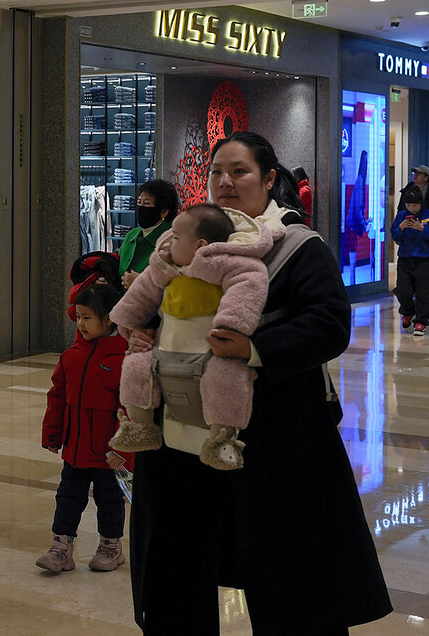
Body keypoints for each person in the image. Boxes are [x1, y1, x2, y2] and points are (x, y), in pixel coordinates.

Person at [124, 131, 391, 634]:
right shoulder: (180, 242)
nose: (226, 182)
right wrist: (143, 334)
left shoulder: (296, 245)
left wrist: (253, 348)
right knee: (178, 562)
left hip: (273, 438)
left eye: (240, 172)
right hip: (182, 434)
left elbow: (329, 324)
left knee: (287, 571)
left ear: (269, 179)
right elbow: (157, 310)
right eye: (217, 172)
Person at [109, 203, 271, 470]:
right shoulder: (165, 266)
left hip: (212, 349)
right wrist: (127, 321)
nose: (168, 242)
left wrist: (231, 325)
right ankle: (139, 425)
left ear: (200, 245)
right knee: (136, 365)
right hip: (165, 351)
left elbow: (248, 287)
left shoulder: (232, 264)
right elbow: (142, 293)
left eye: (175, 237)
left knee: (226, 378)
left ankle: (222, 438)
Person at [38, 283, 130, 574]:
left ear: (110, 319)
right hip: (75, 450)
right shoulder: (72, 356)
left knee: (109, 500)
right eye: (78, 316)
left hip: (107, 456)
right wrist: (52, 433)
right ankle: (61, 547)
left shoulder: (124, 359)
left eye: (87, 317)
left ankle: (111, 547)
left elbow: (129, 409)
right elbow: (57, 397)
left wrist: (120, 449)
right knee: (67, 498)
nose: (80, 323)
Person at [391, 188, 429, 335]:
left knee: (424, 293)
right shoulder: (401, 217)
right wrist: (400, 228)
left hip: (425, 260)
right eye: (408, 205)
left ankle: (420, 321)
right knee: (403, 290)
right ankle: (407, 311)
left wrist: (422, 229)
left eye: (414, 205)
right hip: (406, 259)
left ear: (421, 204)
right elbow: (394, 235)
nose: (411, 208)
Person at [118, 180, 179, 289]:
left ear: (164, 212)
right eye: (139, 202)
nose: (141, 207)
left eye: (146, 203)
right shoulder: (131, 236)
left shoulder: (174, 239)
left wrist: (141, 282)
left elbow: (177, 284)